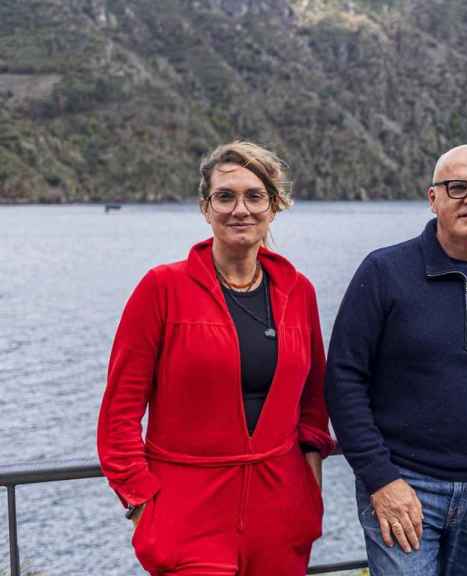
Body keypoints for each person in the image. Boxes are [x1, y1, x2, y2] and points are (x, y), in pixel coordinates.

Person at [97, 141, 335, 576]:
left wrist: (309, 486)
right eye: (225, 196)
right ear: (205, 208)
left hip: (280, 515)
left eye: (254, 196)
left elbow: (313, 404)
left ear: (274, 207)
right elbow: (119, 414)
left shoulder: (298, 292)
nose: (239, 209)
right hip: (187, 514)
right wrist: (141, 505)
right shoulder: (161, 289)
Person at [325, 144, 467, 576]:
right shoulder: (382, 272)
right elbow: (344, 378)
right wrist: (380, 478)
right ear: (433, 198)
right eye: (458, 186)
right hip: (403, 484)